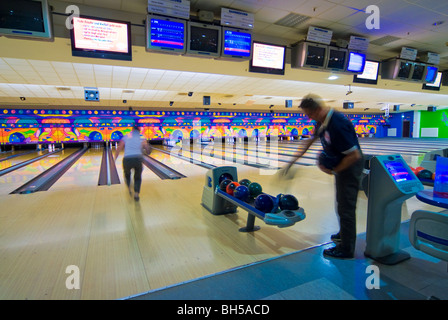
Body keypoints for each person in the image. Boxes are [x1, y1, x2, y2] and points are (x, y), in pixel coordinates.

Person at [282, 94, 363, 259]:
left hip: (349, 167)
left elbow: (354, 155)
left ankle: (346, 249)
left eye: (309, 114)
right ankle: (344, 234)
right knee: (341, 204)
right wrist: (292, 162)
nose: (308, 117)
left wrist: (334, 170)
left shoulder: (337, 124)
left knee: (346, 208)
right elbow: (309, 141)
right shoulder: (322, 121)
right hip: (342, 166)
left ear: (318, 110)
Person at [114, 125, 151, 201]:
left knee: (127, 174)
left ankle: (129, 187)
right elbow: (147, 148)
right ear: (139, 130)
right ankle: (136, 193)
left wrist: (114, 158)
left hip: (127, 159)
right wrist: (148, 151)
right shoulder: (141, 137)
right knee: (138, 177)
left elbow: (119, 147)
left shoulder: (126, 136)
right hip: (138, 159)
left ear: (132, 129)